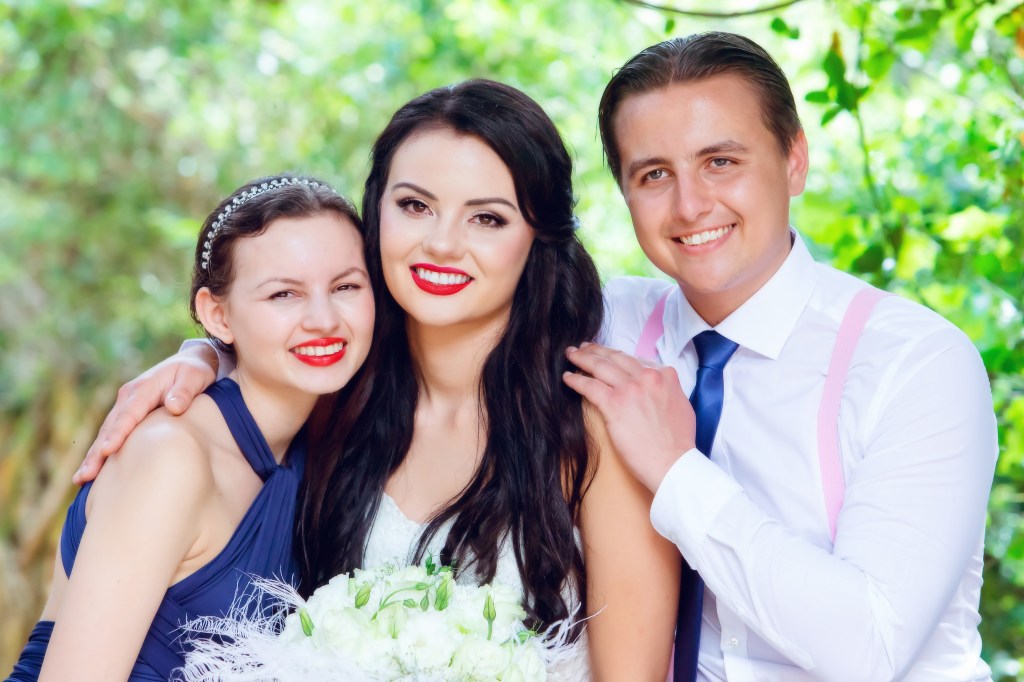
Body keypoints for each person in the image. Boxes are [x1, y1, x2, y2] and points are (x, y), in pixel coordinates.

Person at [71, 80, 681, 679]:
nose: (441, 244)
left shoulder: (594, 426)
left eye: (487, 218)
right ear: (376, 214)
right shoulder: (333, 400)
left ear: (537, 238)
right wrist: (206, 354)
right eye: (415, 206)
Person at [562, 32, 997, 681]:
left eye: (720, 162)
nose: (689, 205)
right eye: (654, 175)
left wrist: (677, 471)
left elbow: (871, 650)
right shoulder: (606, 327)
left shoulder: (915, 364)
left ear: (795, 160)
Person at [6, 175, 375, 682]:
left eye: (345, 287)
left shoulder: (323, 439)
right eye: (283, 294)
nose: (324, 319)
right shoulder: (171, 458)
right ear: (217, 315)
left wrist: (205, 354)